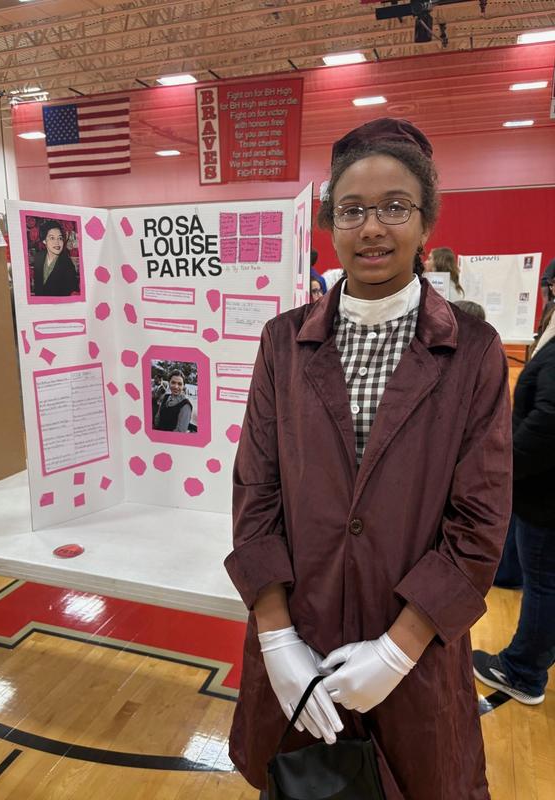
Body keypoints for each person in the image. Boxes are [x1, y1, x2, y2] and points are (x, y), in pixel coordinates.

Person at [224, 117, 512, 800]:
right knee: (300, 785)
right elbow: (254, 491)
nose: (372, 227)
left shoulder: (471, 351)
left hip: (412, 652)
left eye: (394, 207)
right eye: (352, 210)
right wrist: (275, 639)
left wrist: (398, 649)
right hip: (302, 639)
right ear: (330, 225)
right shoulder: (283, 343)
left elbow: (480, 519)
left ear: (425, 223)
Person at [473, 326, 555, 705]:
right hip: (537, 492)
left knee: (543, 585)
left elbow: (547, 424)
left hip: (543, 496)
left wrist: (501, 465)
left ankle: (522, 672)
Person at [32, 220, 79, 296]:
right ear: (44, 240)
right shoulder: (38, 257)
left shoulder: (66, 263)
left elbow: (73, 291)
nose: (57, 242)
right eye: (52, 238)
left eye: (60, 238)